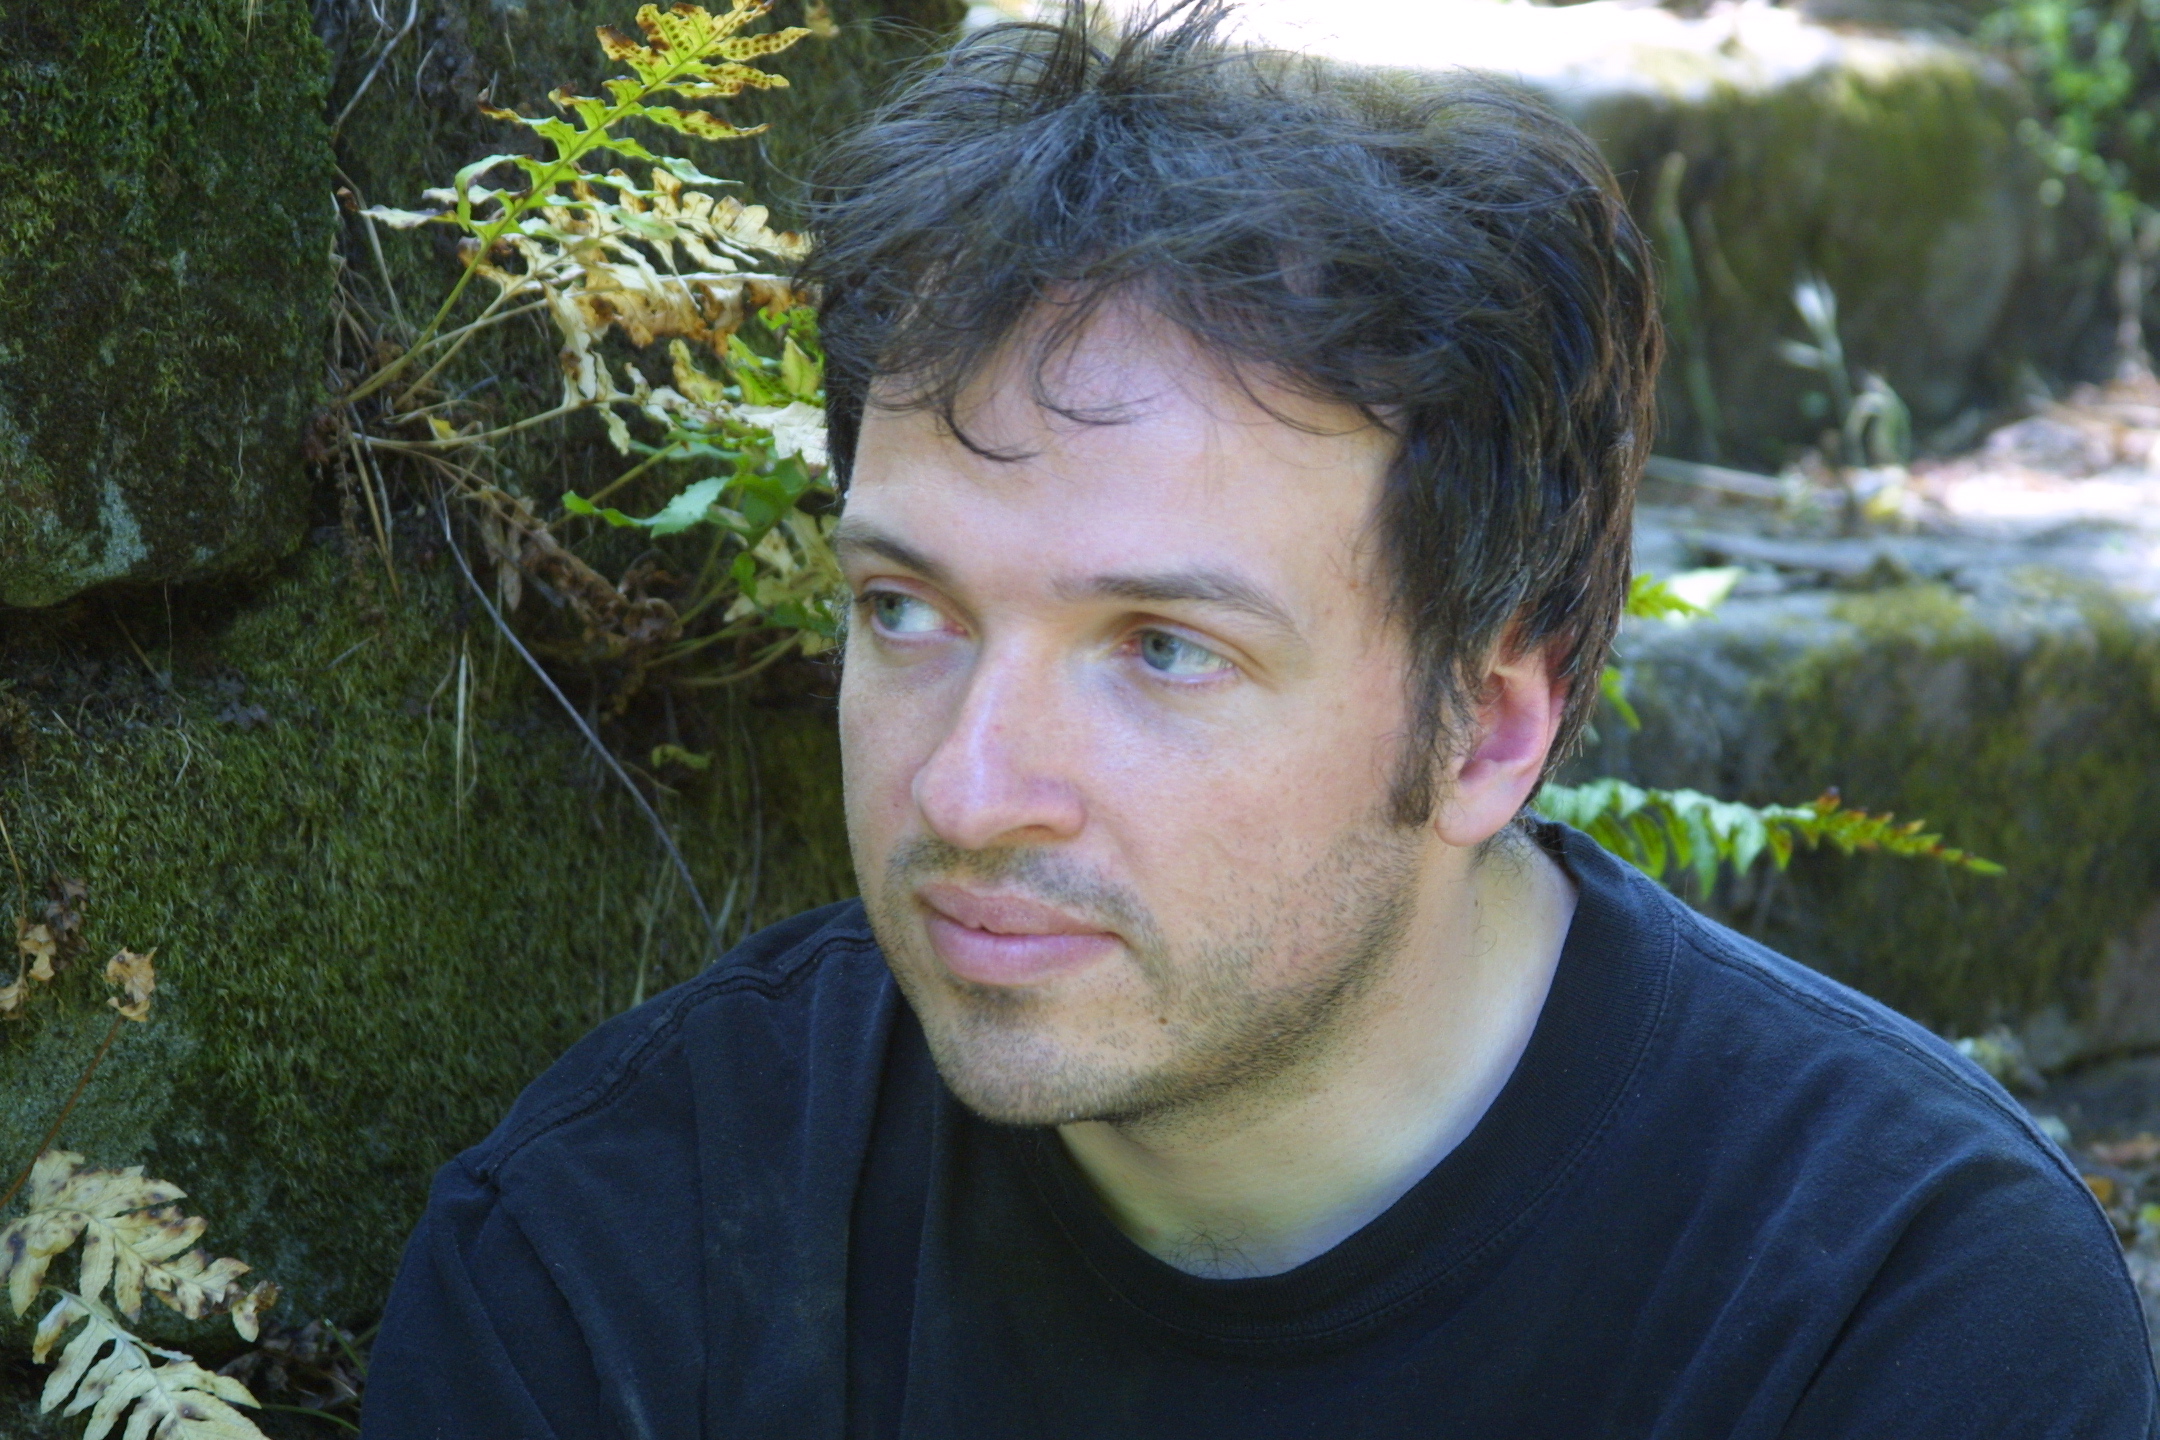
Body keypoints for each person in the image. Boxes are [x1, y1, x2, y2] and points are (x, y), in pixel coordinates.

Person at [359, 3, 2157, 1435]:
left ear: (1487, 731)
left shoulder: (1895, 1325)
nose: (969, 791)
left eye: (1160, 649)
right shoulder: (618, 1262)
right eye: (907, 611)